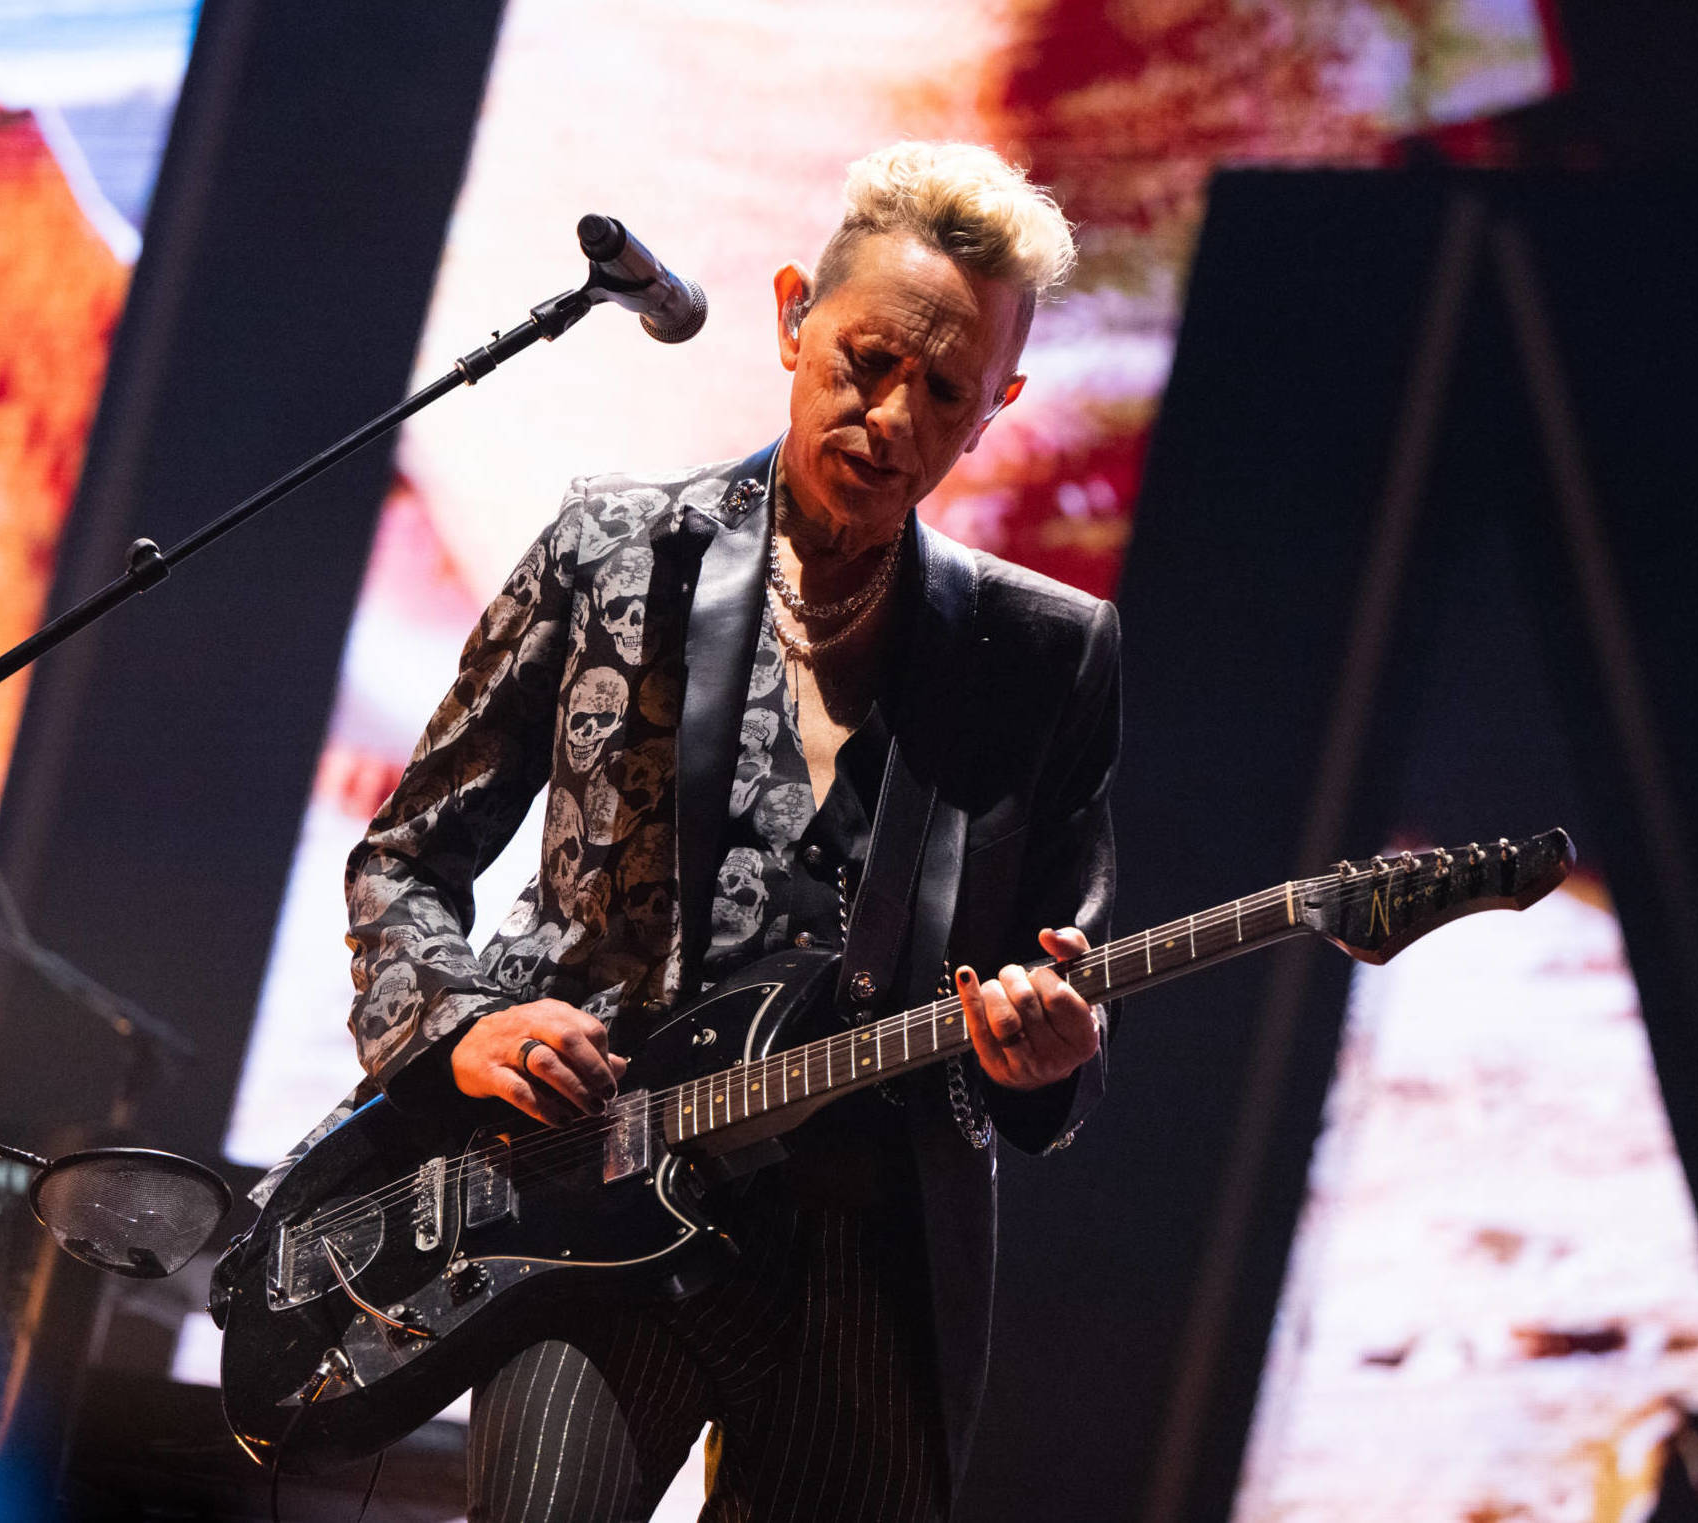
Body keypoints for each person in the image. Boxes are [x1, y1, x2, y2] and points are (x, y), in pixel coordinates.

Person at [334, 142, 1117, 1521]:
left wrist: (1046, 1054)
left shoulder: (1042, 655)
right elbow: (403, 857)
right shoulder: (609, 550)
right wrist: (463, 1030)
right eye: (866, 360)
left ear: (996, 406)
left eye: (941, 390)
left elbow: (1040, 1005)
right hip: (588, 1215)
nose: (888, 414)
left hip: (865, 1269)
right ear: (789, 316)